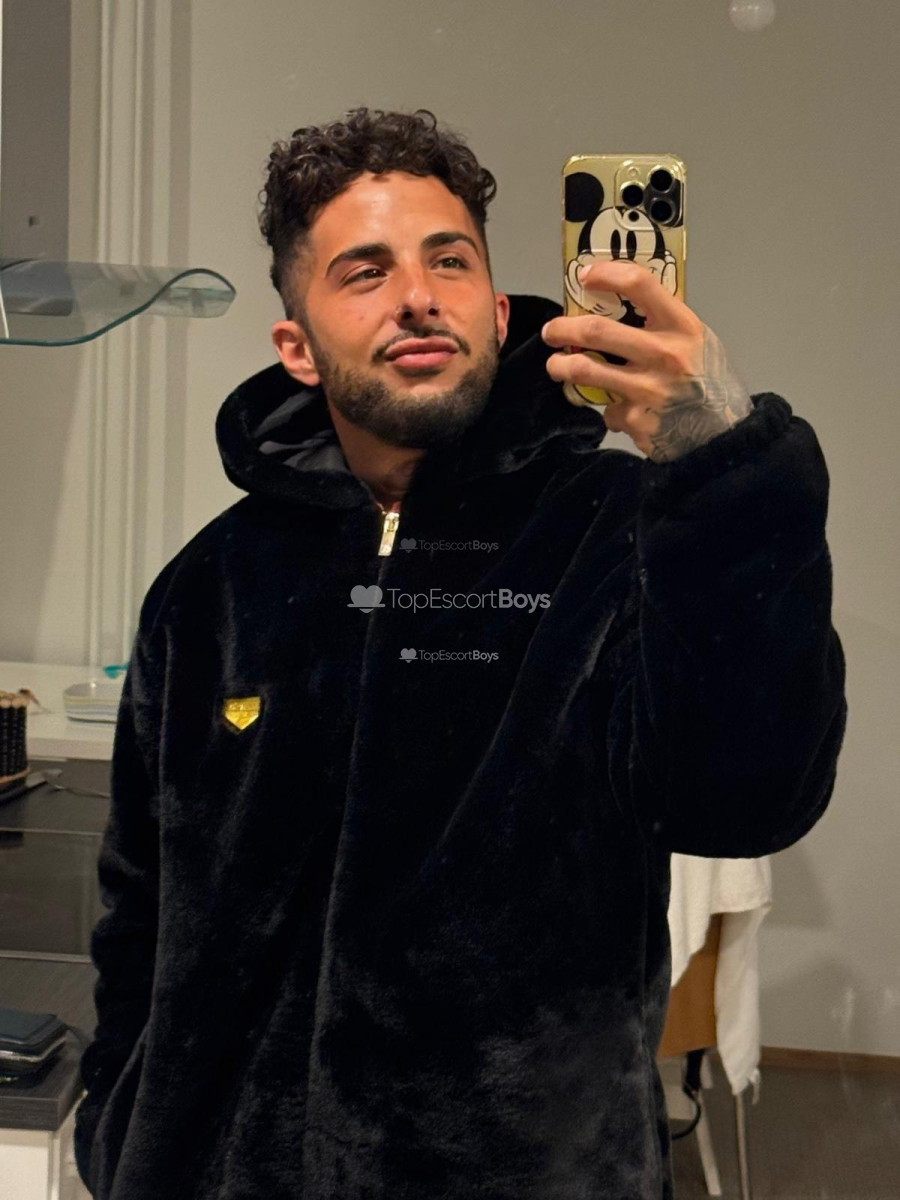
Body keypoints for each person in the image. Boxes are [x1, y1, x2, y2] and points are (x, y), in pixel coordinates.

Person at [73, 107, 846, 1200]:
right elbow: (139, 907)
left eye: (449, 260)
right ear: (297, 346)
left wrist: (718, 463)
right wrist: (122, 1130)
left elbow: (746, 801)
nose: (418, 295)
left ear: (497, 308)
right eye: (364, 271)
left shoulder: (620, 537)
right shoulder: (212, 590)